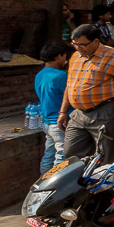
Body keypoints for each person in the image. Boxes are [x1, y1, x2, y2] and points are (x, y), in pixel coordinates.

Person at [58, 24, 114, 164]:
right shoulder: (75, 57)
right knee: (71, 152)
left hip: (105, 112)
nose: (77, 48)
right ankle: (86, 178)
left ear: (95, 41)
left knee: (107, 154)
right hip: (79, 114)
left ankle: (104, 182)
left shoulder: (113, 55)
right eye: (74, 44)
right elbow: (69, 86)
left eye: (82, 45)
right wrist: (63, 112)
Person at [35, 43, 70, 174]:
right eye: (64, 56)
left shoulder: (39, 75)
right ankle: (55, 183)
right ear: (58, 56)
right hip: (60, 122)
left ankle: (43, 182)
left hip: (47, 122)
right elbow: (70, 96)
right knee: (62, 156)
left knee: (48, 155)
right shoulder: (61, 76)